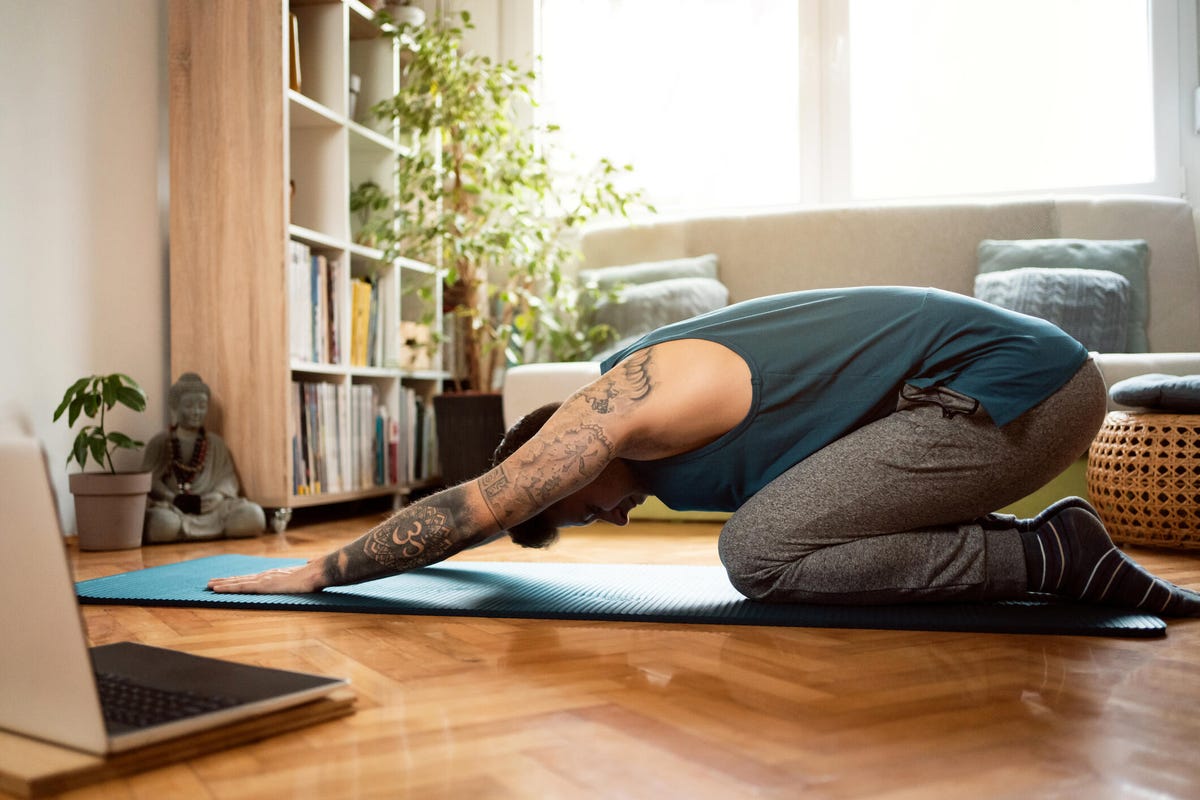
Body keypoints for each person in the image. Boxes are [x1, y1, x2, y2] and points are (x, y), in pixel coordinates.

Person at [209, 287, 1200, 617]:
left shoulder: (624, 404)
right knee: (784, 535)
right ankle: (1036, 545)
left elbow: (478, 503)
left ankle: (1047, 554)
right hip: (976, 406)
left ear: (560, 454)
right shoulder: (645, 437)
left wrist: (316, 569)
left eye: (571, 503)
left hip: (1023, 392)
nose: (598, 514)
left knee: (756, 550)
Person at [144, 373, 266, 542]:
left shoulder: (216, 444)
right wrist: (171, 498)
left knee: (254, 516)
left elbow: (228, 479)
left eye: (202, 406)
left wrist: (218, 495)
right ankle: (178, 528)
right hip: (175, 509)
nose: (196, 412)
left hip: (213, 509)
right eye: (189, 405)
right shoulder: (161, 442)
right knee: (162, 524)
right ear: (174, 407)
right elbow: (149, 481)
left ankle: (191, 532)